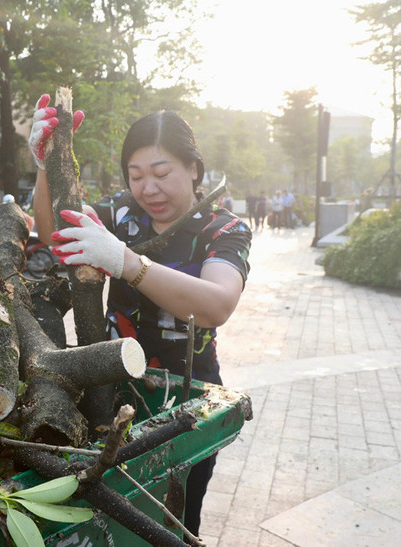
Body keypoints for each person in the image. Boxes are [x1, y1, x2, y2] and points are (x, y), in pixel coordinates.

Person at [30, 99, 251, 540]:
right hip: (113, 390)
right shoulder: (122, 213)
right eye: (136, 175)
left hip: (186, 401)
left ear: (193, 168)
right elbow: (55, 232)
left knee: (173, 522)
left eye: (162, 172)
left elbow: (217, 304)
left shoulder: (223, 230)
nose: (148, 188)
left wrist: (127, 262)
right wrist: (45, 165)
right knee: (115, 517)